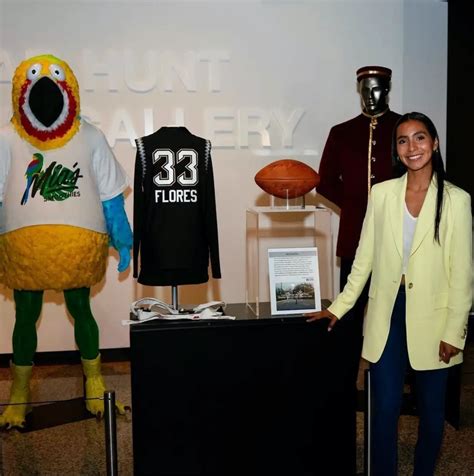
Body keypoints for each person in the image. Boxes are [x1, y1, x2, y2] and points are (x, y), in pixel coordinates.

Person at [308, 112, 472, 475]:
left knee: (431, 413)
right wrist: (339, 307)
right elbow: (363, 259)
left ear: (435, 143)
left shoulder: (457, 200)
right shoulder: (382, 194)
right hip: (388, 314)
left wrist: (454, 331)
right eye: (402, 141)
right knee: (383, 410)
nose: (412, 147)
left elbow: (463, 275)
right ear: (396, 151)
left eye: (419, 138)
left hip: (435, 317)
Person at [315, 66, 400, 474]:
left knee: (394, 316)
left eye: (378, 89)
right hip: (355, 236)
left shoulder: (404, 128)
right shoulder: (342, 131)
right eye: (365, 89)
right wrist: (355, 205)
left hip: (399, 240)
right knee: (348, 316)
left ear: (388, 90)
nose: (371, 96)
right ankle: (345, 391)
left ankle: (392, 388)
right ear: (356, 90)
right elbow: (325, 180)